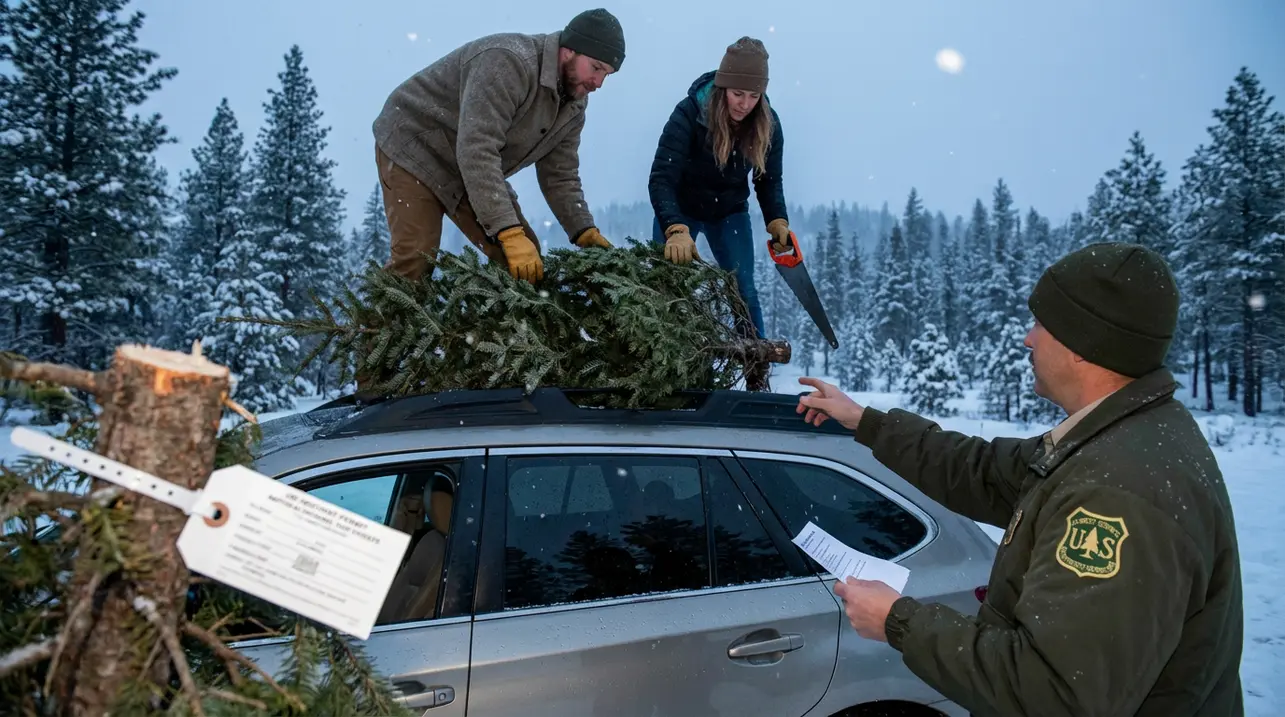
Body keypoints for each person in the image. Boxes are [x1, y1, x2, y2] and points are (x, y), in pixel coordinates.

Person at [795, 242, 1244, 716]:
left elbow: (1051, 694)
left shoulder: (1116, 494)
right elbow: (983, 470)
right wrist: (866, 422)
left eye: (1042, 325)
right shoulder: (1118, 436)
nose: (1029, 340)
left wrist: (898, 621)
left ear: (1083, 343)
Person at [372, 9, 624, 284]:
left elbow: (559, 175)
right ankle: (370, 327)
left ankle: (490, 326)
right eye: (596, 67)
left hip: (471, 166)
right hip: (416, 147)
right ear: (569, 50)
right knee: (415, 261)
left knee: (524, 263)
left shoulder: (573, 106)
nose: (598, 83)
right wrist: (507, 230)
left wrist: (583, 229)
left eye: (607, 74)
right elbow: (478, 149)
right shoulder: (508, 63)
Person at [647, 37, 792, 338]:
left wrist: (776, 219)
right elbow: (662, 177)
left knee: (744, 290)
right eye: (738, 94)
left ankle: (756, 365)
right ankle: (660, 353)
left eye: (754, 96)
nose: (745, 104)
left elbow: (768, 180)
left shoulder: (768, 125)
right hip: (681, 208)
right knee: (666, 283)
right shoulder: (689, 114)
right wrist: (674, 227)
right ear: (723, 87)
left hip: (729, 212)